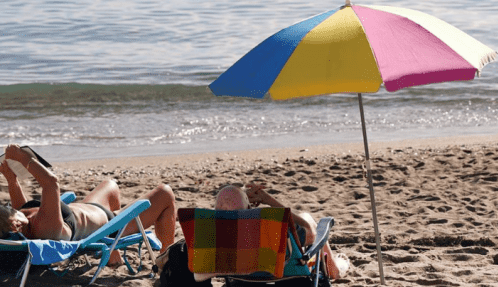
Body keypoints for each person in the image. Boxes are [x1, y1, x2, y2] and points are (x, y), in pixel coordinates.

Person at [0, 144, 176, 256]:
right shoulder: (44, 227)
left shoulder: (23, 223)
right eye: (11, 211)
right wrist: (24, 158)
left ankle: (112, 255)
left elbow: (21, 207)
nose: (15, 208)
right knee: (165, 193)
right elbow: (51, 183)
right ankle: (167, 257)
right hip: (111, 226)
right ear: (16, 226)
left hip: (89, 208)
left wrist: (11, 179)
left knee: (110, 184)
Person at [211, 183, 349, 280]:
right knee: (307, 218)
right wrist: (269, 200)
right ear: (248, 206)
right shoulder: (271, 229)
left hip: (242, 281)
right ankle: (335, 269)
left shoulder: (210, 233)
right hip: (288, 277)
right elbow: (312, 234)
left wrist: (242, 200)